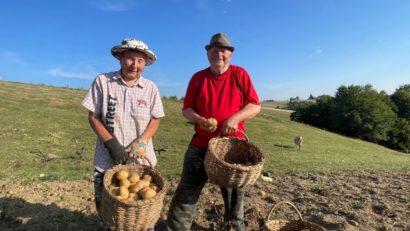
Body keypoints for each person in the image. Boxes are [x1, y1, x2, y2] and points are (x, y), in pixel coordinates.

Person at [165, 32, 261, 231]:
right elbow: (187, 109)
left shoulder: (239, 74)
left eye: (224, 49)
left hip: (232, 149)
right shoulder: (198, 78)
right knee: (187, 191)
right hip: (201, 144)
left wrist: (235, 118)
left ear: (230, 54)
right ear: (208, 53)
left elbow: (255, 105)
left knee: (235, 196)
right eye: (215, 49)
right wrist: (199, 120)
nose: (219, 53)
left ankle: (234, 228)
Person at [81, 38, 165, 218]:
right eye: (130, 59)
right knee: (110, 216)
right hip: (107, 162)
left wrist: (142, 141)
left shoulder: (150, 88)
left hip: (141, 164)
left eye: (140, 61)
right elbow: (93, 116)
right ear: (120, 57)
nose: (135, 65)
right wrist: (112, 145)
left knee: (142, 216)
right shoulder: (103, 81)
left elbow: (156, 118)